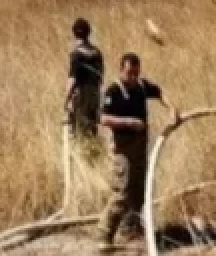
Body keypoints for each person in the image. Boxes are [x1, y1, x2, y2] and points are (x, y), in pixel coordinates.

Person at [97, 52, 179, 253]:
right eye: (129, 73)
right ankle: (104, 233)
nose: (133, 77)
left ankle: (132, 230)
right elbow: (104, 118)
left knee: (139, 190)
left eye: (136, 72)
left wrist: (172, 109)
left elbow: (159, 92)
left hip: (140, 147)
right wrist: (128, 122)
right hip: (122, 150)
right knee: (122, 192)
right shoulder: (114, 91)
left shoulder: (142, 86)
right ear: (121, 70)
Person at [63, 18, 104, 145]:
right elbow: (100, 76)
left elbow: (72, 80)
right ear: (89, 32)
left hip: (81, 96)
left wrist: (66, 100)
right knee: (91, 128)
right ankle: (92, 154)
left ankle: (84, 155)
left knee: (79, 131)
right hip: (95, 94)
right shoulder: (97, 53)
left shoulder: (77, 54)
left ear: (74, 33)